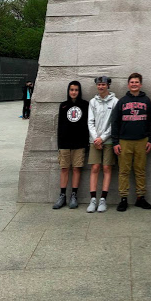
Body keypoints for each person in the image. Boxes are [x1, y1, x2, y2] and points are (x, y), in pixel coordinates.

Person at [111, 72, 151, 211]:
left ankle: (140, 198)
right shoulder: (122, 101)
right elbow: (115, 122)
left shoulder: (146, 100)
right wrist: (115, 142)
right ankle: (123, 198)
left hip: (142, 141)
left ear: (140, 84)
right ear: (128, 84)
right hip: (124, 141)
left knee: (140, 170)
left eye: (137, 82)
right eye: (132, 82)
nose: (134, 84)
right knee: (124, 171)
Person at [53, 80, 89, 209]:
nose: (74, 92)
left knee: (76, 169)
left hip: (79, 143)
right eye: (71, 90)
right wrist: (59, 144)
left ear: (79, 91)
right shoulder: (63, 106)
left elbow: (87, 125)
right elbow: (60, 126)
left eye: (76, 90)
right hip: (64, 143)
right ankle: (62, 195)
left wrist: (86, 143)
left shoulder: (85, 105)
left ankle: (74, 195)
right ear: (68, 91)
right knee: (64, 168)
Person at [86, 76, 118, 213]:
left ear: (108, 85)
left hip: (109, 141)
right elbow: (90, 121)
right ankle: (93, 199)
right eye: (99, 84)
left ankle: (103, 199)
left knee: (106, 168)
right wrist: (96, 138)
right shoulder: (93, 102)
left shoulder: (115, 102)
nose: (101, 87)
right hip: (94, 141)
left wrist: (103, 138)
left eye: (103, 84)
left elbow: (114, 123)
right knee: (95, 168)